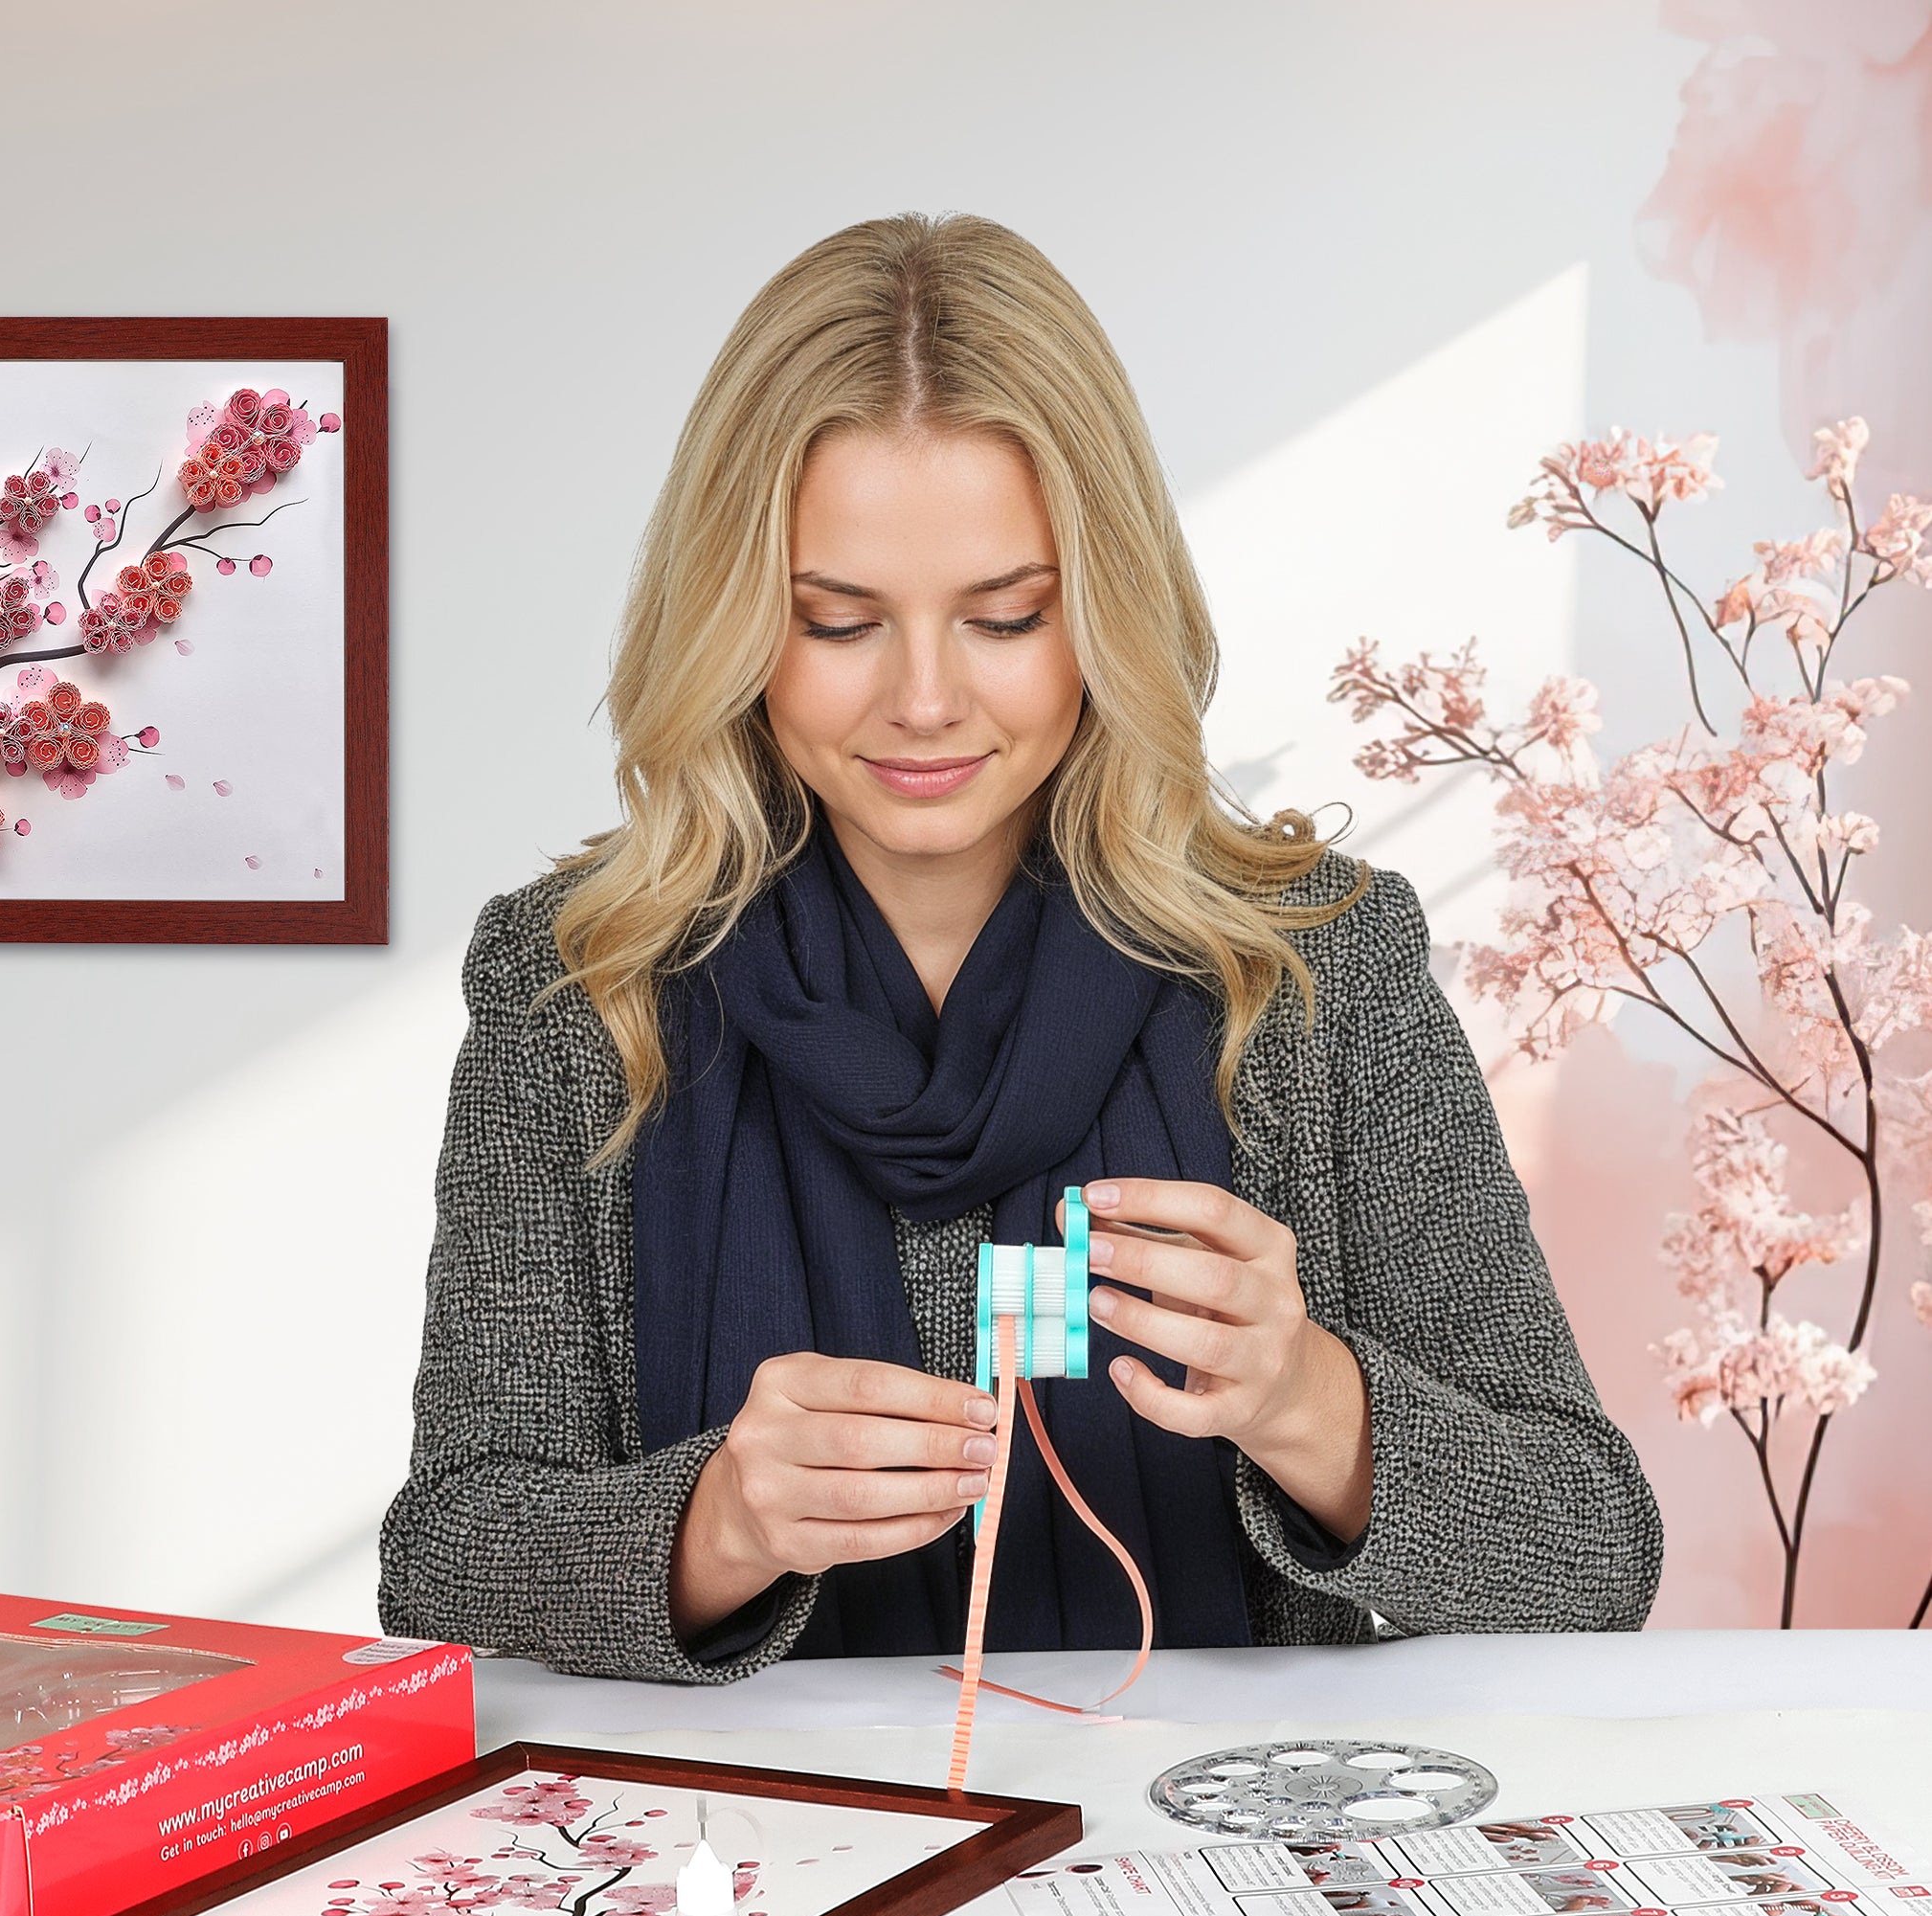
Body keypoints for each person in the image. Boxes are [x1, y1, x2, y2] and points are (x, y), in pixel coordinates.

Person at [379, 213, 1663, 1682]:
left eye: (1004, 618)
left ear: (1102, 612)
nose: (925, 701)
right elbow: (448, 1555)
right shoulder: (573, 991)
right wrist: (716, 1524)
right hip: (751, 1860)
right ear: (734, 623)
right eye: (838, 622)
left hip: (1206, 1858)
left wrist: (1310, 1400)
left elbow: (1592, 1551)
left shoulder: (1319, 974)